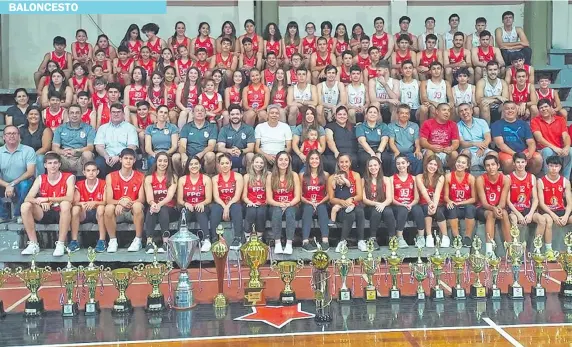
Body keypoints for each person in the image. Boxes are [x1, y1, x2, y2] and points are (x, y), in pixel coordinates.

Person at [20, 152, 75, 256]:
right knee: (25, 206)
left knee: (66, 204)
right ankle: (33, 244)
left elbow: (70, 198)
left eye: (55, 163)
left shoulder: (69, 177)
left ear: (59, 164)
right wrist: (39, 201)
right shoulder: (41, 178)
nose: (53, 166)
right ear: (45, 165)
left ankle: (60, 244)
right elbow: (28, 198)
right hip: (44, 212)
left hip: (62, 213)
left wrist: (48, 199)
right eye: (49, 163)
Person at [507, 153, 552, 260]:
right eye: (518, 162)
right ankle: (517, 252)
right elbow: (507, 200)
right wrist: (518, 214)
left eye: (522, 162)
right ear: (514, 163)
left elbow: (535, 199)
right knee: (513, 219)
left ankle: (536, 249)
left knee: (542, 220)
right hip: (514, 210)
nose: (520, 165)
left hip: (528, 209)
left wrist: (531, 214)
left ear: (526, 163)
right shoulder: (508, 177)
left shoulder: (531, 177)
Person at [103, 148, 145, 253]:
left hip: (132, 211)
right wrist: (120, 202)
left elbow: (141, 199)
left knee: (138, 206)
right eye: (125, 158)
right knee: (108, 208)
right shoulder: (110, 176)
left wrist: (126, 202)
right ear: (120, 160)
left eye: (131, 158)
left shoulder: (141, 176)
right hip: (118, 212)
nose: (128, 161)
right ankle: (112, 241)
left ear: (134, 160)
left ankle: (138, 240)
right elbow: (108, 200)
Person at [327, 154, 366, 252]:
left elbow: (360, 196)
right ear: (338, 163)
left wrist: (351, 199)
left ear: (350, 163)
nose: (344, 164)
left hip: (353, 203)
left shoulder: (356, 175)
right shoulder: (333, 177)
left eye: (346, 162)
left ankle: (361, 241)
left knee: (360, 212)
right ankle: (342, 241)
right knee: (350, 215)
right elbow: (331, 198)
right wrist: (341, 201)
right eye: (341, 162)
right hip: (340, 206)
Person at [492, 101, 542, 174]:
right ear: (503, 111)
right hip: (506, 153)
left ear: (516, 110)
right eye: (507, 109)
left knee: (538, 158)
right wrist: (516, 155)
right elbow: (501, 145)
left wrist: (530, 153)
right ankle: (512, 181)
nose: (510, 111)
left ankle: (529, 178)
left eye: (512, 108)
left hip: (524, 152)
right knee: (508, 161)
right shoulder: (496, 124)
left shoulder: (524, 124)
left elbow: (531, 142)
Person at [142, 152, 178, 254]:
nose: (163, 163)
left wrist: (158, 205)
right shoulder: (149, 178)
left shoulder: (173, 177)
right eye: (160, 161)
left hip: (170, 209)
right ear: (156, 162)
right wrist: (153, 204)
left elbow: (169, 196)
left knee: (162, 210)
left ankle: (166, 242)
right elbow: (149, 197)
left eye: (165, 161)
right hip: (155, 207)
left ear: (168, 163)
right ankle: (149, 242)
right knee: (151, 210)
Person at [266, 151, 300, 255]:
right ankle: (277, 243)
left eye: (286, 160)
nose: (283, 162)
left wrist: (288, 204)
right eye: (281, 160)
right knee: (276, 211)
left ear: (289, 162)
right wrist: (280, 204)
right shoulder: (270, 177)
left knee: (290, 211)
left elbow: (297, 197)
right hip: (276, 205)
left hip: (291, 205)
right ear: (276, 161)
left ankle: (289, 244)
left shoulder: (294, 175)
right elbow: (269, 199)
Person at [476, 155, 511, 254]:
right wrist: (493, 208)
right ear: (484, 167)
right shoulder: (480, 179)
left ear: (498, 165)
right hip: (483, 209)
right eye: (487, 165)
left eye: (493, 165)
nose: (491, 168)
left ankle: (510, 249)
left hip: (499, 207)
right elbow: (484, 203)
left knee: (504, 213)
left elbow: (503, 202)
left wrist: (498, 208)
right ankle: (489, 251)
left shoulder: (505, 179)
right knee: (491, 215)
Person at [0, 126, 36, 223]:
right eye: (9, 134)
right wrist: (7, 185)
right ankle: (3, 215)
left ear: (19, 136)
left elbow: (30, 172)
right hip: (4, 184)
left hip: (22, 182)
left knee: (25, 184)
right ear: (4, 137)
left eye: (14, 133)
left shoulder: (28, 150)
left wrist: (12, 184)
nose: (12, 136)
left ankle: (19, 214)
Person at [177, 156, 212, 252]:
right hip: (188, 206)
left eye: (196, 164)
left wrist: (202, 203)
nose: (194, 166)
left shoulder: (206, 179)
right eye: (191, 164)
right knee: (185, 212)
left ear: (200, 165)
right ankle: (181, 240)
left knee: (200, 210)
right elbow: (179, 200)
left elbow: (209, 199)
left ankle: (206, 239)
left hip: (202, 206)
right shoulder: (182, 179)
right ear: (188, 166)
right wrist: (186, 203)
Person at [94, 103, 139, 177]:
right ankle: (102, 186)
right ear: (110, 114)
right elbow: (99, 146)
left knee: (127, 161)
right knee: (98, 163)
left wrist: (119, 157)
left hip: (123, 157)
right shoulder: (102, 128)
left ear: (123, 114)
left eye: (118, 112)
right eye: (113, 112)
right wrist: (106, 156)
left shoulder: (130, 128)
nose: (116, 114)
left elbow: (132, 146)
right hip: (106, 156)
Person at [390, 154, 425, 248]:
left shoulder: (413, 178)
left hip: (411, 203)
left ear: (408, 164)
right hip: (397, 205)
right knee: (402, 210)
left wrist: (410, 204)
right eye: (398, 164)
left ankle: (421, 237)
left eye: (403, 163)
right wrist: (403, 205)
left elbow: (417, 198)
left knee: (418, 210)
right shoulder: (391, 179)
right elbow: (392, 199)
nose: (401, 165)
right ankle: (399, 237)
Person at [538, 156, 572, 253]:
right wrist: (553, 215)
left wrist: (565, 216)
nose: (553, 168)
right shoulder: (541, 181)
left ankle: (569, 248)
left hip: (561, 210)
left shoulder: (565, 181)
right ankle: (549, 250)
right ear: (547, 166)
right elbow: (541, 203)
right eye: (551, 166)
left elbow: (569, 203)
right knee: (548, 220)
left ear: (560, 167)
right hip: (547, 211)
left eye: (556, 166)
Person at [298, 150, 330, 252]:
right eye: (312, 158)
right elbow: (299, 195)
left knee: (322, 208)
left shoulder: (326, 175)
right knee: (308, 209)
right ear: (308, 160)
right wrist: (310, 202)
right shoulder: (302, 175)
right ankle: (305, 242)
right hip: (306, 202)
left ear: (320, 160)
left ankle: (325, 241)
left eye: (316, 158)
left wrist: (319, 202)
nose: (314, 161)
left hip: (321, 202)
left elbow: (329, 194)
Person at [531, 99, 572, 178]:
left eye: (546, 106)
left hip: (559, 149)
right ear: (539, 110)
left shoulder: (560, 119)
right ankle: (548, 179)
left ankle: (564, 180)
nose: (544, 109)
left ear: (551, 107)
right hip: (544, 149)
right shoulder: (535, 121)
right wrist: (554, 148)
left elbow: (566, 136)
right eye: (541, 108)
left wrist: (566, 146)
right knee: (548, 151)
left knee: (570, 150)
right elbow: (539, 138)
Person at [210, 154, 244, 249]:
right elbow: (216, 197)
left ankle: (237, 238)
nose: (225, 165)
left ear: (231, 164)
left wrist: (227, 206)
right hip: (221, 203)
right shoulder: (215, 178)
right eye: (222, 163)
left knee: (236, 207)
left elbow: (237, 196)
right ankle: (214, 239)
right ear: (219, 165)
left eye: (227, 163)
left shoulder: (238, 176)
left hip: (233, 203)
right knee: (215, 208)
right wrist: (224, 207)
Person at [52, 104, 96, 176]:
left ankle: (83, 180)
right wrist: (62, 152)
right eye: (72, 113)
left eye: (77, 113)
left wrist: (76, 151)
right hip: (64, 158)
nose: (74, 115)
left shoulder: (89, 128)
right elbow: (55, 147)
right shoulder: (60, 128)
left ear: (81, 114)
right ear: (68, 115)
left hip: (80, 157)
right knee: (50, 155)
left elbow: (90, 147)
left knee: (88, 154)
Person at [72, 161, 106, 253]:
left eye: (93, 170)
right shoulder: (79, 184)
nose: (91, 173)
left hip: (98, 213)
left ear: (97, 172)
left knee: (101, 208)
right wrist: (81, 204)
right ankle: (74, 241)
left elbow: (106, 201)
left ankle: (102, 240)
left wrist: (95, 202)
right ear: (84, 172)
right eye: (88, 170)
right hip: (84, 212)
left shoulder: (103, 183)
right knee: (75, 209)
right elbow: (75, 202)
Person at [362, 156, 395, 249]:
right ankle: (372, 239)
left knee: (388, 212)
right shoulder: (364, 180)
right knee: (376, 212)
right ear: (367, 167)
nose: (373, 168)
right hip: (370, 206)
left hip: (384, 204)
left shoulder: (386, 179)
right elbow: (364, 199)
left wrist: (383, 204)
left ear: (379, 166)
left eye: (375, 165)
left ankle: (392, 238)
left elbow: (389, 198)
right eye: (370, 166)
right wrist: (377, 204)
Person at [444, 154, 477, 247]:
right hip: (454, 207)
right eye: (458, 162)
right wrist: (450, 201)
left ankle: (467, 238)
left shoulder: (471, 178)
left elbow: (474, 198)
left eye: (463, 163)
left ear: (467, 166)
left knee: (470, 208)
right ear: (455, 163)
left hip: (465, 206)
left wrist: (460, 203)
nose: (460, 164)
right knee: (451, 207)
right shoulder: (448, 176)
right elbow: (446, 196)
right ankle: (456, 237)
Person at [417, 155, 449, 248]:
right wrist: (430, 203)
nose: (432, 166)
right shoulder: (419, 177)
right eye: (430, 164)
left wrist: (434, 205)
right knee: (427, 209)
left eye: (435, 165)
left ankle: (445, 236)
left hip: (438, 203)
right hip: (425, 202)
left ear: (438, 167)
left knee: (438, 211)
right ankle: (429, 236)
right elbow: (423, 191)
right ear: (426, 164)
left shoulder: (441, 177)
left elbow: (437, 192)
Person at [176, 105, 217, 175]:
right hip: (188, 155)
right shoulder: (186, 127)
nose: (200, 112)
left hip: (203, 155)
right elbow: (182, 145)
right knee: (175, 157)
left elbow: (211, 146)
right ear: (192, 114)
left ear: (205, 114)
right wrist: (183, 154)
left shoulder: (212, 127)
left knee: (211, 155)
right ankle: (181, 177)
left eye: (202, 111)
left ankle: (208, 176)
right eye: (197, 111)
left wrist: (199, 155)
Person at [386, 104, 423, 176]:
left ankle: (415, 180)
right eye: (402, 113)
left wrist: (417, 150)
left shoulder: (414, 126)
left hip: (410, 153)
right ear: (397, 114)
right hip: (396, 152)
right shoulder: (391, 126)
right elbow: (391, 142)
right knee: (394, 160)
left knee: (419, 158)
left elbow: (417, 142)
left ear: (409, 115)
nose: (404, 115)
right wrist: (397, 152)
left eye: (407, 113)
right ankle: (395, 181)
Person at [216, 104, 255, 171]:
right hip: (228, 156)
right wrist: (229, 151)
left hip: (243, 156)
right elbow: (220, 147)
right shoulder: (224, 129)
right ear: (229, 116)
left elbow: (251, 148)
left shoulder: (249, 129)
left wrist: (241, 151)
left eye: (237, 114)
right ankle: (221, 179)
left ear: (241, 115)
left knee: (250, 155)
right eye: (232, 114)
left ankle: (250, 178)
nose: (235, 116)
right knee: (218, 155)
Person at [420, 103, 459, 169]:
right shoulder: (427, 123)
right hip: (431, 150)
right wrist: (431, 147)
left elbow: (456, 142)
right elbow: (422, 141)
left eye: (448, 111)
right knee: (429, 153)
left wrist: (451, 148)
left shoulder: (453, 124)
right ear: (437, 112)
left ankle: (452, 177)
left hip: (446, 152)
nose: (447, 112)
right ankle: (426, 177)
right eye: (444, 110)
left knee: (455, 154)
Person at [457, 103, 496, 170]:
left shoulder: (482, 122)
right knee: (465, 153)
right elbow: (462, 143)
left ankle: (490, 178)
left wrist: (482, 148)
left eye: (466, 109)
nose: (464, 112)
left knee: (494, 155)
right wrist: (474, 143)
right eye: (461, 111)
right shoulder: (457, 126)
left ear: (471, 111)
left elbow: (488, 138)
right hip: (468, 151)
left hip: (483, 150)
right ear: (459, 114)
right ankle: (466, 178)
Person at [242, 154, 268, 243]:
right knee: (251, 211)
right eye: (257, 162)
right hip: (250, 202)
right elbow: (244, 196)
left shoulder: (268, 175)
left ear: (264, 164)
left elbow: (269, 194)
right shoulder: (247, 176)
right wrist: (250, 202)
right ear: (252, 163)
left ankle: (259, 236)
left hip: (263, 202)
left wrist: (264, 202)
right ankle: (247, 236)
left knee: (261, 212)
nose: (259, 164)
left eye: (261, 162)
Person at [20, 106, 53, 177]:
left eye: (36, 114)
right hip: (23, 156)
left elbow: (45, 148)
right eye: (31, 114)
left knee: (39, 158)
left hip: (38, 155)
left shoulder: (46, 130)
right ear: (27, 116)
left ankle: (39, 182)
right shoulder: (21, 130)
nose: (33, 116)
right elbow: (17, 146)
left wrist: (31, 156)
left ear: (40, 117)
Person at [324, 106, 358, 173]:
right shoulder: (330, 126)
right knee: (332, 163)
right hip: (335, 154)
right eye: (339, 114)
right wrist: (336, 152)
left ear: (347, 116)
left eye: (344, 114)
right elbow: (329, 140)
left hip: (351, 154)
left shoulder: (353, 127)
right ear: (335, 116)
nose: (342, 116)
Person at [144, 105, 179, 169]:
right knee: (152, 161)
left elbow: (174, 146)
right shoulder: (149, 128)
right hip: (154, 155)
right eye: (161, 112)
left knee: (167, 161)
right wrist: (155, 155)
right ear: (157, 113)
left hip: (168, 154)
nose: (163, 114)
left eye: (165, 113)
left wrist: (164, 154)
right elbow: (147, 148)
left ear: (168, 115)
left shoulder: (173, 127)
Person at [356, 106, 389, 173]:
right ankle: (365, 179)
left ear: (378, 115)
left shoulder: (383, 126)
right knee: (364, 159)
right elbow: (362, 141)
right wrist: (372, 154)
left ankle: (385, 179)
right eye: (370, 112)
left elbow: (384, 139)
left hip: (379, 149)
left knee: (386, 158)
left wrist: (378, 152)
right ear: (366, 115)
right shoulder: (360, 126)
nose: (372, 114)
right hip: (365, 150)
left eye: (375, 112)